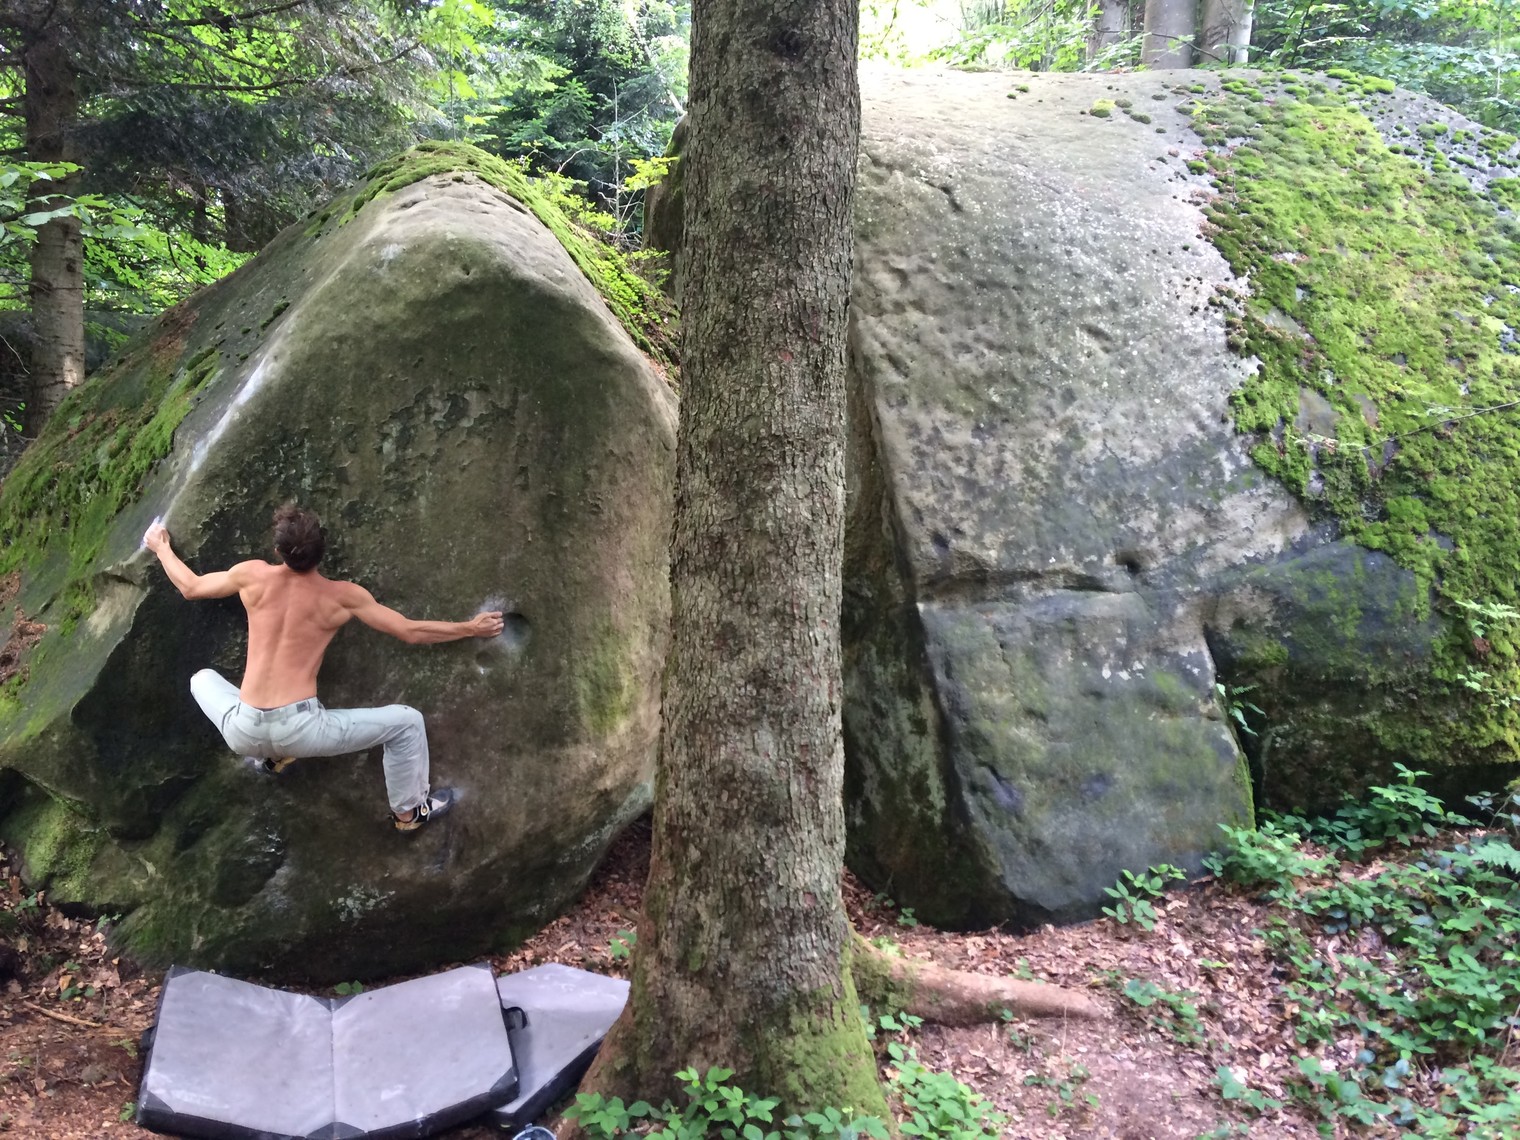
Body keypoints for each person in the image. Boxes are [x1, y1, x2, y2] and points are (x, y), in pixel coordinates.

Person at [143, 505, 504, 832]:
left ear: (278, 551)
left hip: (242, 731)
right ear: (322, 551)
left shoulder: (251, 575)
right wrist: (470, 628)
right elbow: (409, 631)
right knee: (407, 722)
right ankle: (408, 813)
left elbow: (191, 587)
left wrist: (161, 548)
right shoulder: (342, 596)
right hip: (302, 731)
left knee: (201, 679)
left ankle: (272, 757)